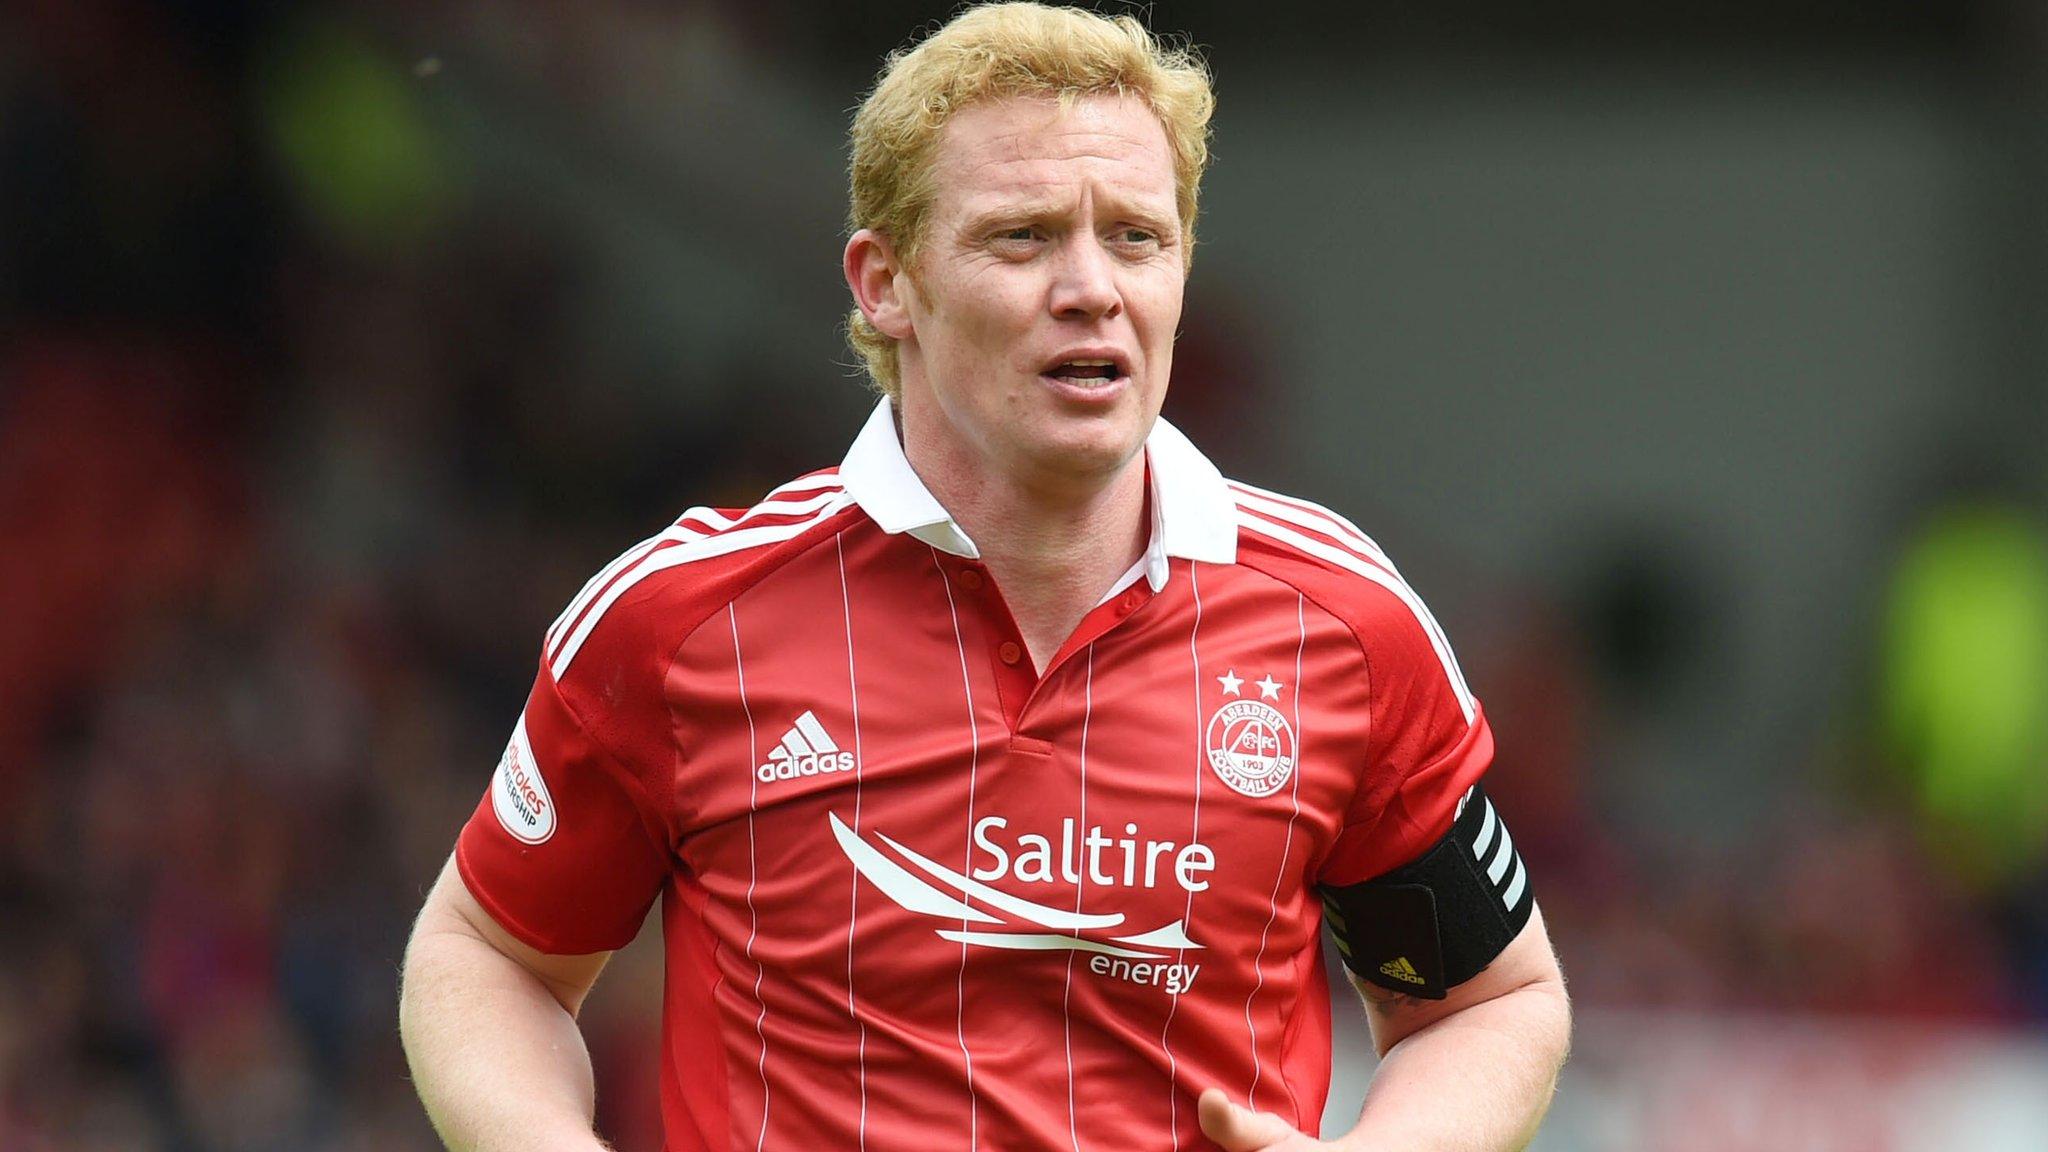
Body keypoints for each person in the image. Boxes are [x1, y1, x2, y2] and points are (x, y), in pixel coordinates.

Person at [398, 4, 1570, 1150]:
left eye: (1136, 237)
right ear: (883, 283)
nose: (1091, 287)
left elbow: (1486, 1001)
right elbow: (489, 955)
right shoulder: (683, 619)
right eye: (1021, 236)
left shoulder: (1340, 624)